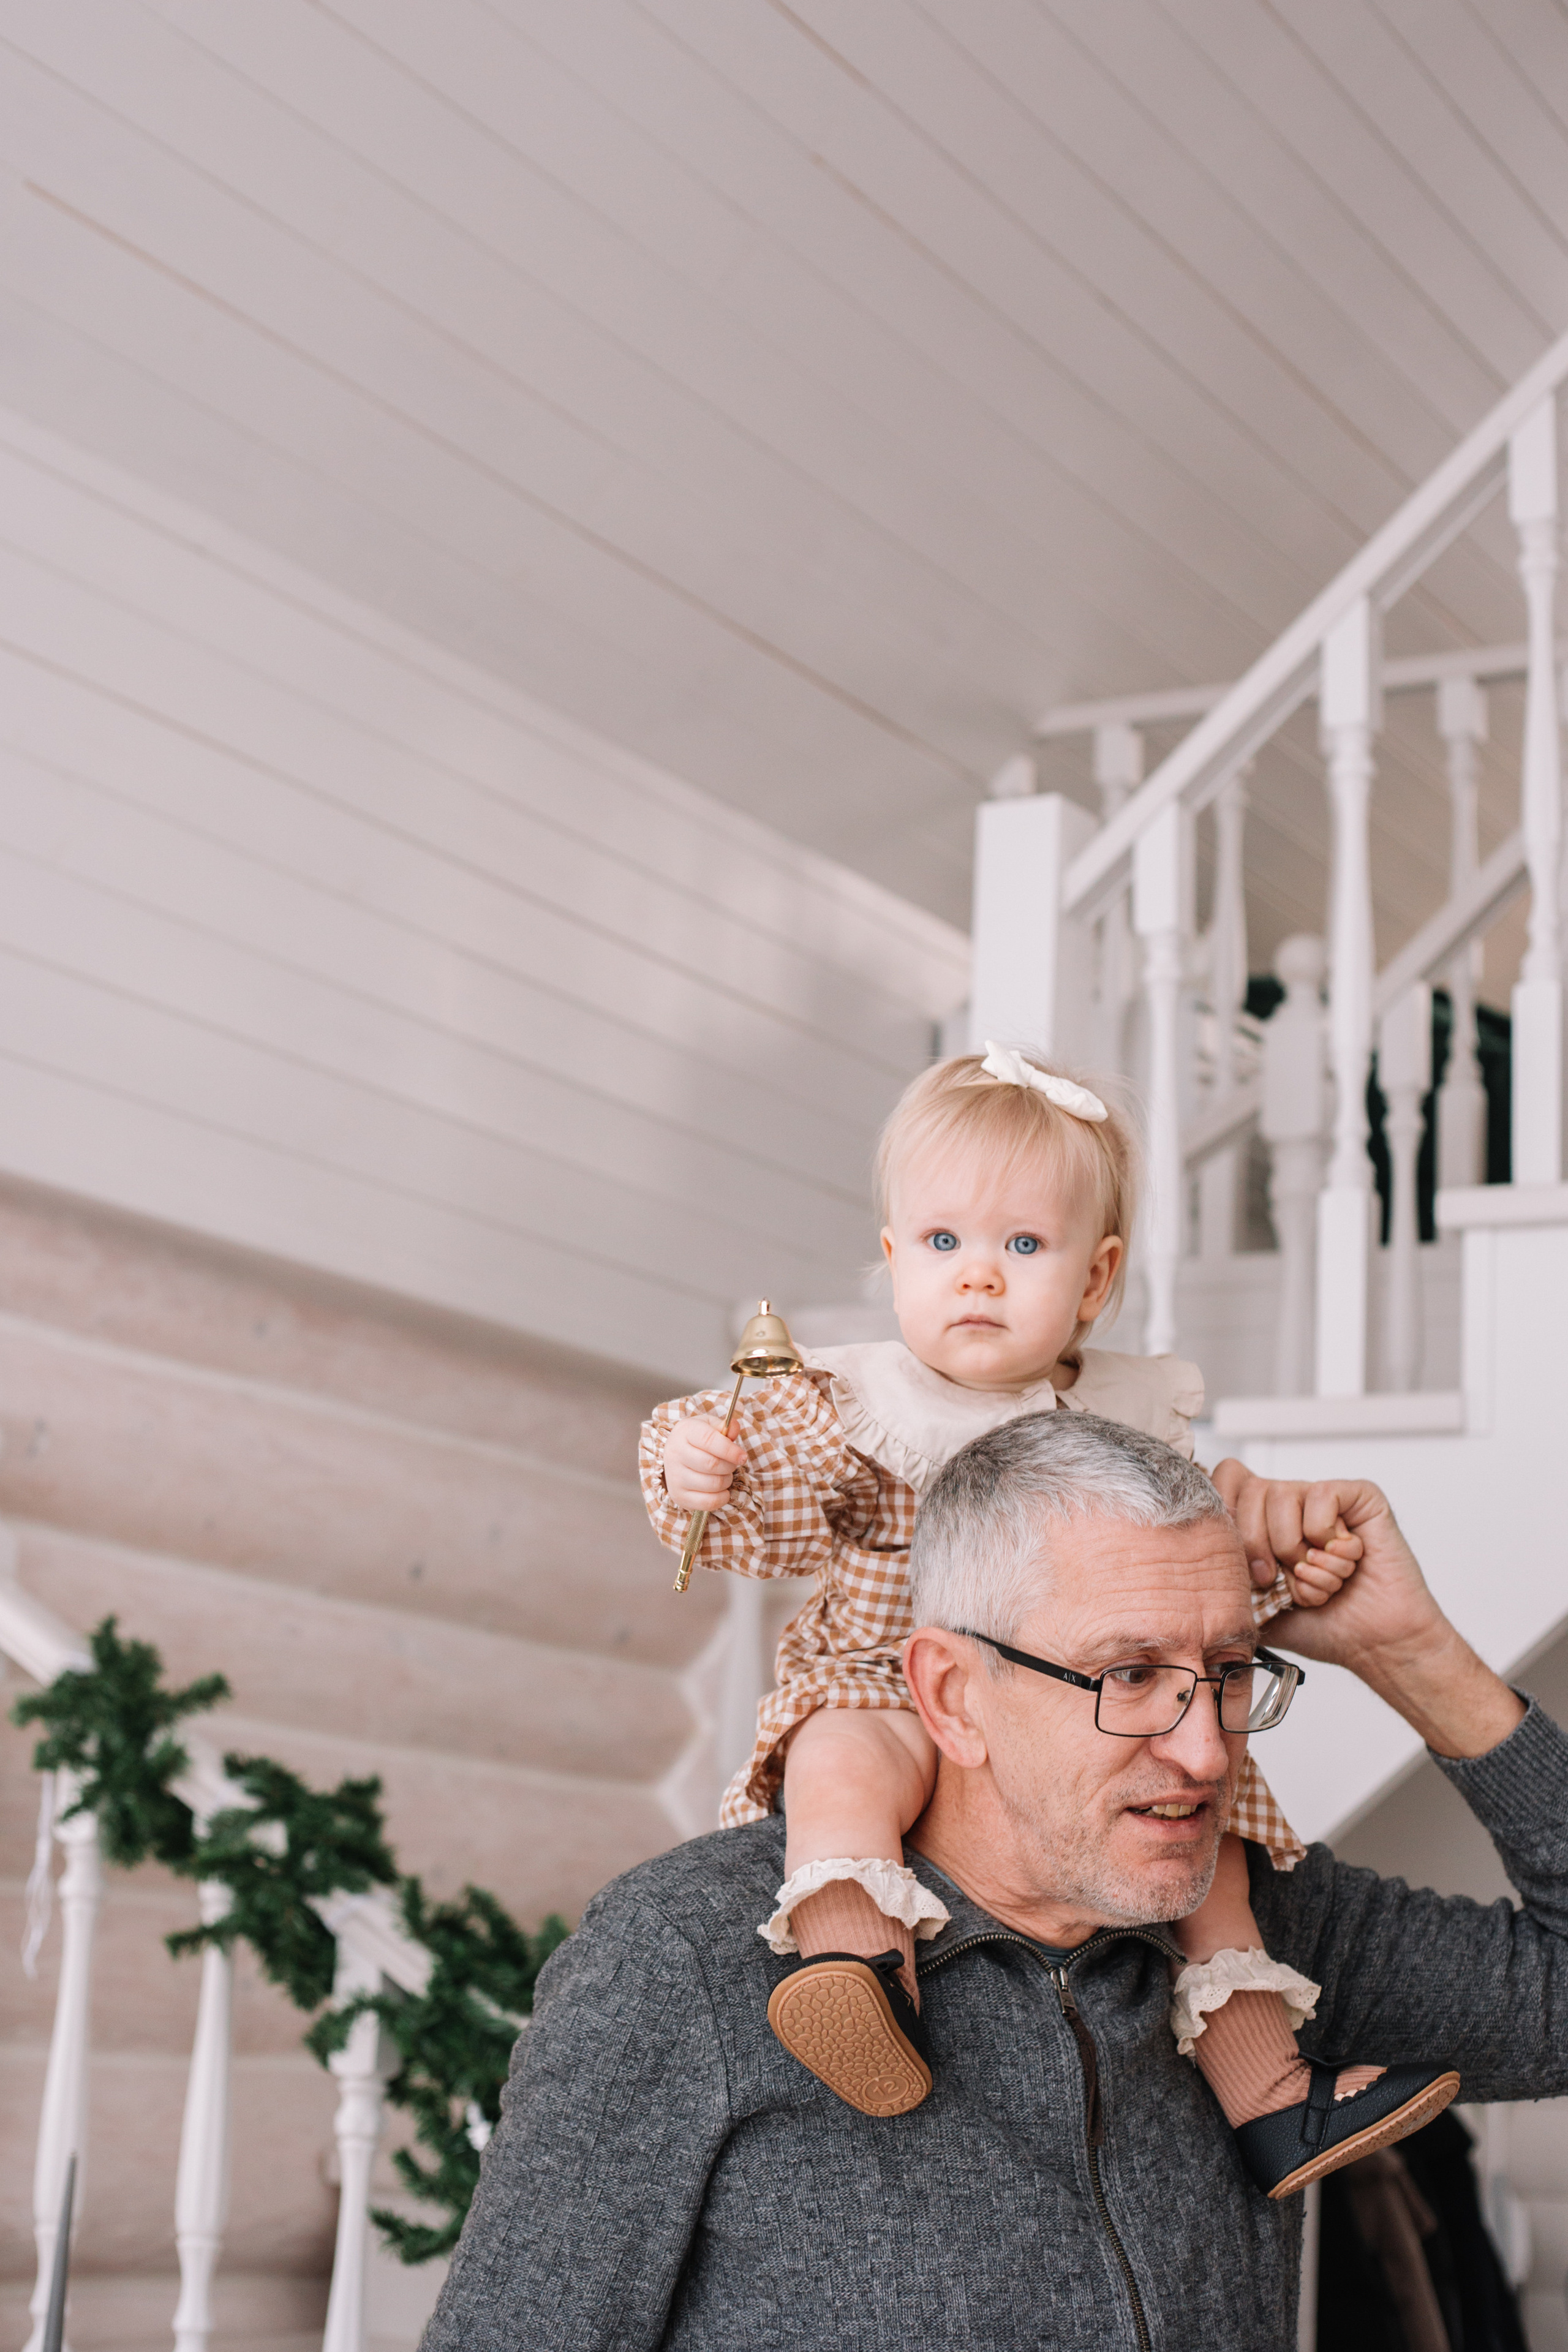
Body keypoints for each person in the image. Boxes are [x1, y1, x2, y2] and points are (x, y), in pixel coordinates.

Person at [421, 1422, 1568, 2352]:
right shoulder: (686, 1956)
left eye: (1226, 1675)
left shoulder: (1263, 1930)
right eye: (1129, 1675)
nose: (1208, 1754)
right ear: (952, 1696)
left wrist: (1409, 1652)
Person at [638, 1044, 1427, 2183]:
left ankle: (1269, 2091)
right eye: (944, 1244)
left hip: (1085, 1709)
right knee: (846, 1760)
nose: (979, 1278)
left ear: (1095, 1281)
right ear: (894, 1256)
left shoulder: (1130, 1418)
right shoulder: (855, 1404)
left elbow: (1174, 1565)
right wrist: (708, 1469)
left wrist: (1272, 1540)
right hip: (886, 1674)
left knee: (1219, 1842)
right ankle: (860, 1969)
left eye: (1023, 1246)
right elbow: (785, 1520)